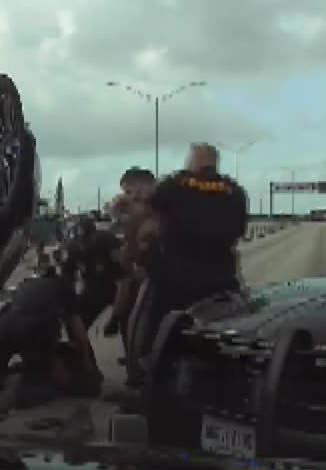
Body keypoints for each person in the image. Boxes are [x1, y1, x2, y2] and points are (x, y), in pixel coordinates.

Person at [136, 143, 247, 363]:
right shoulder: (235, 191)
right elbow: (239, 231)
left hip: (176, 277)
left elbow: (147, 210)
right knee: (228, 324)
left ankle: (146, 357)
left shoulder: (177, 183)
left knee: (155, 309)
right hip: (221, 277)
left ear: (193, 161)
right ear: (215, 163)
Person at [0, 268, 103, 409]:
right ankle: (18, 396)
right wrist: (87, 362)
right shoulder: (64, 287)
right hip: (32, 328)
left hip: (4, 325)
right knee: (44, 380)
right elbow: (78, 330)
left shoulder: (28, 284)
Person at [104, 168, 158, 340]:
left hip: (150, 274)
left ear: (140, 189)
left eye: (128, 191)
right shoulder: (143, 209)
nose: (125, 196)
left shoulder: (152, 210)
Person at [61, 215, 123, 328]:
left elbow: (123, 279)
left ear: (94, 235)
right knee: (74, 318)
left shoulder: (107, 241)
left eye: (87, 239)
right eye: (80, 240)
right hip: (92, 287)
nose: (84, 244)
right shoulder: (72, 248)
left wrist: (115, 317)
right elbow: (67, 280)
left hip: (113, 285)